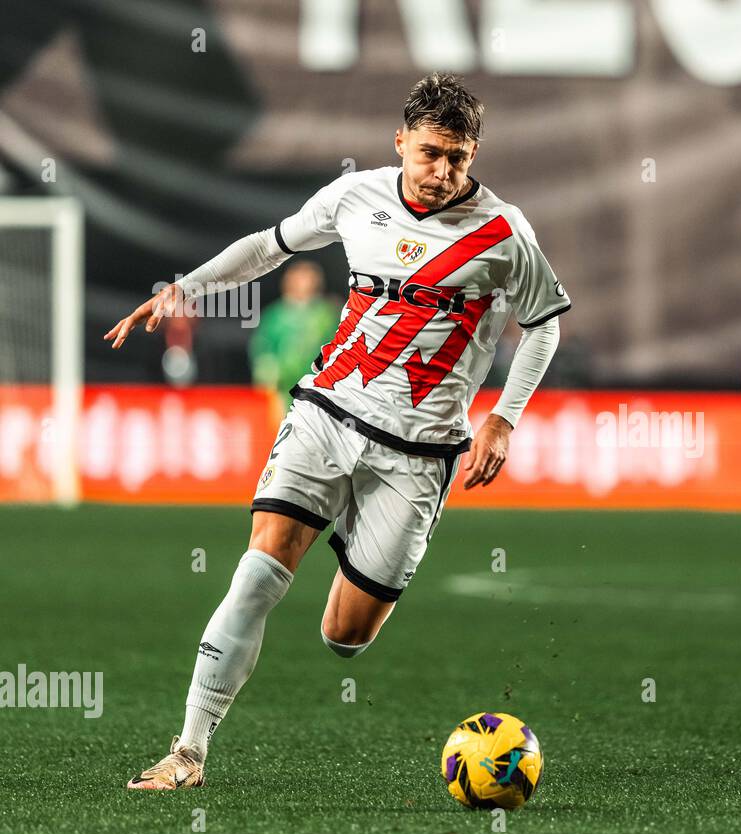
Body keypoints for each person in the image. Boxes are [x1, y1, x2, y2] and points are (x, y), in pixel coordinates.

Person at [104, 73, 570, 789]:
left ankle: (354, 533)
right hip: (328, 413)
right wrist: (184, 288)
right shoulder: (357, 196)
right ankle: (188, 753)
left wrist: (504, 417)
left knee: (345, 638)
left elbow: (542, 324)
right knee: (259, 572)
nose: (443, 170)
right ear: (400, 142)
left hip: (418, 454)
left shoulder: (505, 233)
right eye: (431, 153)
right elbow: (270, 246)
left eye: (460, 157)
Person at [249, 259, 339, 404]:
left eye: (307, 277)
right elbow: (262, 348)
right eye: (298, 277)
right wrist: (267, 372)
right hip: (283, 389)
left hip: (318, 387)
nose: (302, 282)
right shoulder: (275, 315)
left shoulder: (326, 315)